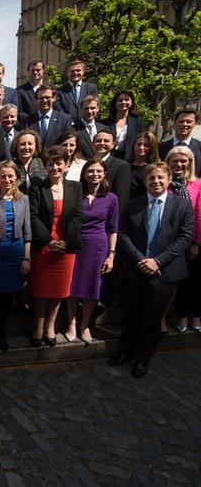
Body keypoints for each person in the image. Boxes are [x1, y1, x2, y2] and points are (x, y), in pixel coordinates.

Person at [110, 162, 194, 377]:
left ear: (167, 180)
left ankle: (142, 358)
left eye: (160, 178)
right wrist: (141, 259)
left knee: (152, 316)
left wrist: (158, 261)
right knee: (130, 313)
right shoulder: (133, 205)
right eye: (151, 178)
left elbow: (185, 237)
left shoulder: (182, 205)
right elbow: (122, 233)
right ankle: (126, 351)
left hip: (163, 270)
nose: (156, 182)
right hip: (135, 267)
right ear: (145, 181)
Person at [27, 146, 84, 347]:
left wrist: (65, 242)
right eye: (50, 163)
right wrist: (48, 241)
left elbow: (78, 216)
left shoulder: (75, 187)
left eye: (59, 163)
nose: (55, 167)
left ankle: (51, 326)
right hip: (44, 247)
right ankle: (39, 326)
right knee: (41, 290)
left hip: (66, 248)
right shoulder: (37, 188)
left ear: (66, 164)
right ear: (45, 166)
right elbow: (33, 217)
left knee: (59, 291)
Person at [65, 160, 119, 344]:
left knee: (91, 287)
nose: (94, 174)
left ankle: (85, 325)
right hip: (76, 244)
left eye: (98, 171)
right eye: (90, 171)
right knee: (72, 286)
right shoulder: (75, 194)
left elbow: (113, 228)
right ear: (84, 173)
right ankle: (71, 322)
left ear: (104, 174)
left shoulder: (111, 198)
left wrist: (111, 255)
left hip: (98, 246)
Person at [0, 161, 31, 351]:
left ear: (17, 178)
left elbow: (28, 231)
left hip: (15, 252)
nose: (7, 179)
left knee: (7, 298)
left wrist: (26, 258)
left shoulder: (24, 199)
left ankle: (2, 332)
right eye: (3, 176)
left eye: (10, 176)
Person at [165, 146, 201, 334]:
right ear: (168, 163)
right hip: (170, 242)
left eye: (183, 161)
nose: (179, 164)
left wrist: (196, 243)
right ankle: (181, 316)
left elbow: (199, 214)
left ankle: (195, 315)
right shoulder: (164, 184)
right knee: (178, 281)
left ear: (189, 163)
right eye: (175, 161)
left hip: (193, 241)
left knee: (194, 281)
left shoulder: (197, 185)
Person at [24, 85, 73, 152]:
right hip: (34, 161)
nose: (44, 100)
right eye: (41, 98)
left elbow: (67, 143)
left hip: (55, 159)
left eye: (47, 97)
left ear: (54, 98)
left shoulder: (64, 119)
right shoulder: (27, 121)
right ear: (35, 100)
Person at [101, 89, 145, 161]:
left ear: (131, 102)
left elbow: (141, 140)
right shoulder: (106, 122)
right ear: (115, 103)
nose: (123, 102)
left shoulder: (138, 121)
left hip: (130, 159)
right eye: (120, 100)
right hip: (110, 157)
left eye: (127, 100)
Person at [128, 132, 162, 200]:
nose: (141, 147)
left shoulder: (154, 169)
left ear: (152, 148)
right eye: (138, 144)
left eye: (146, 145)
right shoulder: (125, 166)